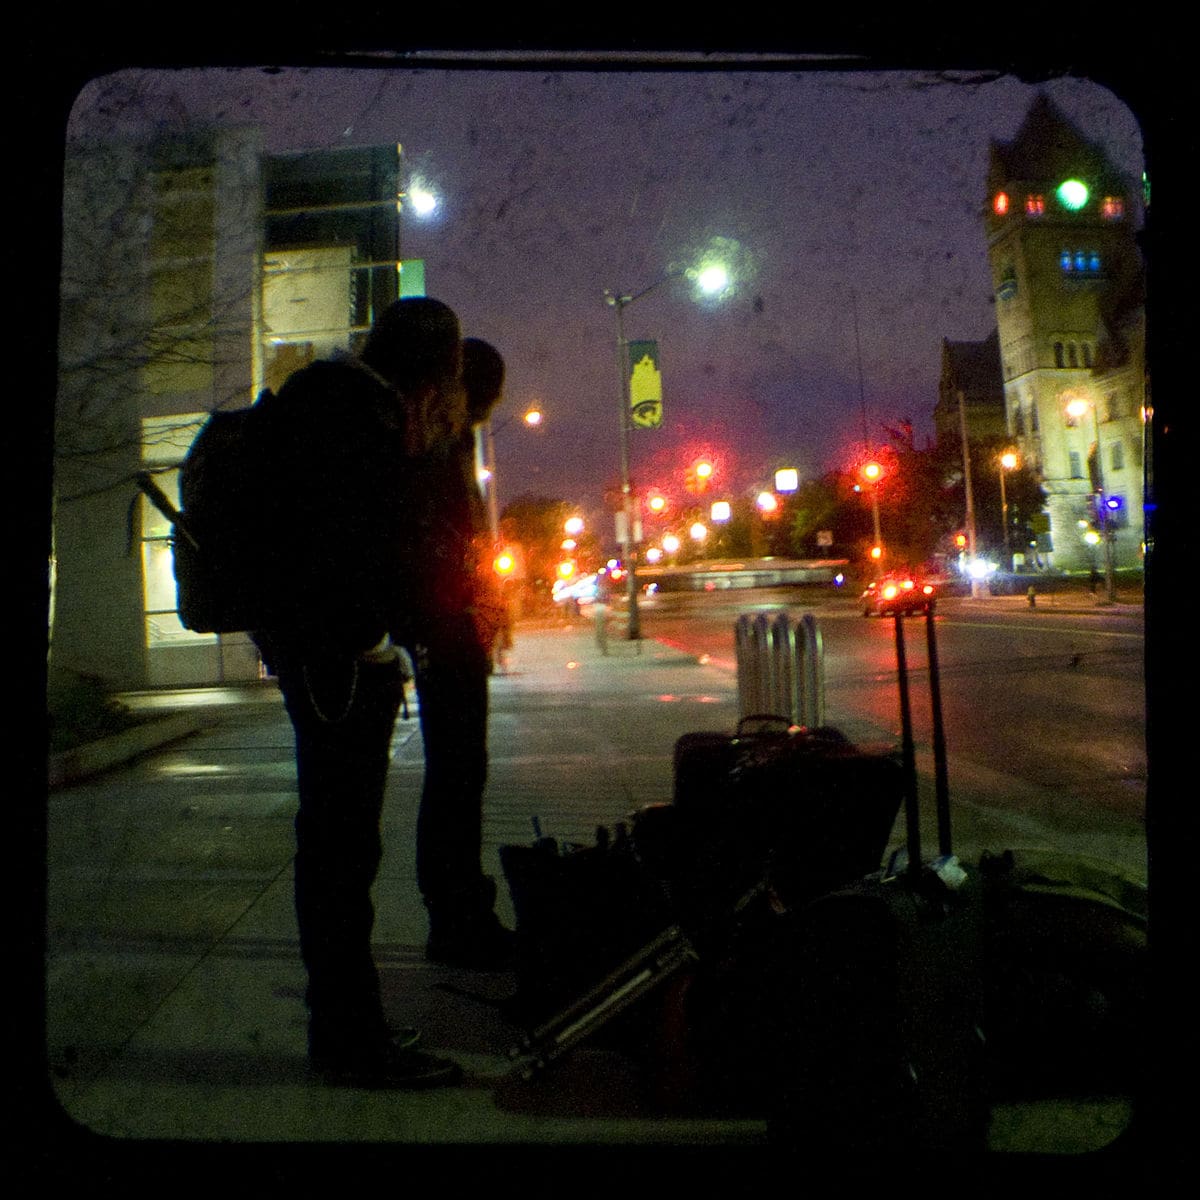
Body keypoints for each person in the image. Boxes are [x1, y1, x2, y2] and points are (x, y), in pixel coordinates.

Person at [252, 297, 468, 1089]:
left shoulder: (323, 401)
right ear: (431, 365)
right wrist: (395, 634)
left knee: (334, 851)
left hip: (319, 657)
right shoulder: (361, 420)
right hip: (341, 663)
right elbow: (368, 551)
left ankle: (346, 1030)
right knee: (342, 856)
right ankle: (348, 1043)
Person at [407, 337, 515, 969]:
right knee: (457, 775)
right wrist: (471, 612)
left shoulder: (437, 438)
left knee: (455, 775)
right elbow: (452, 542)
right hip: (449, 631)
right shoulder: (443, 443)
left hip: (445, 628)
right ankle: (457, 919)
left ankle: (458, 911)